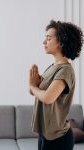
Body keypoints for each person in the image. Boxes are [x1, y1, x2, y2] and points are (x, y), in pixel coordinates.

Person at [29, 20, 83, 150]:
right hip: (45, 135)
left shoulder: (65, 70)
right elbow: (36, 92)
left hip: (58, 139)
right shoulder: (53, 67)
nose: (44, 42)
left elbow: (48, 97)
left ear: (61, 42)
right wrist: (33, 85)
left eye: (48, 38)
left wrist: (33, 86)